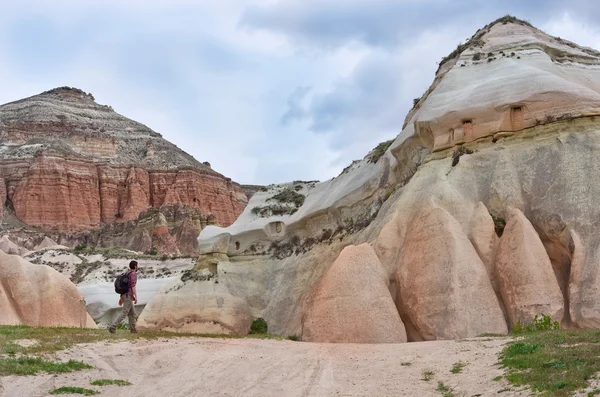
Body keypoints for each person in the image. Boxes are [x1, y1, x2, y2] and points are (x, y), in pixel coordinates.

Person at [108, 260, 138, 334]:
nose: (138, 267)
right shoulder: (133, 274)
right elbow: (132, 285)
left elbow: (124, 286)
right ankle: (113, 327)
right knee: (124, 312)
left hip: (125, 295)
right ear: (135, 266)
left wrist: (121, 297)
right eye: (137, 265)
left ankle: (133, 330)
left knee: (132, 313)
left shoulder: (127, 273)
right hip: (128, 296)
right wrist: (135, 296)